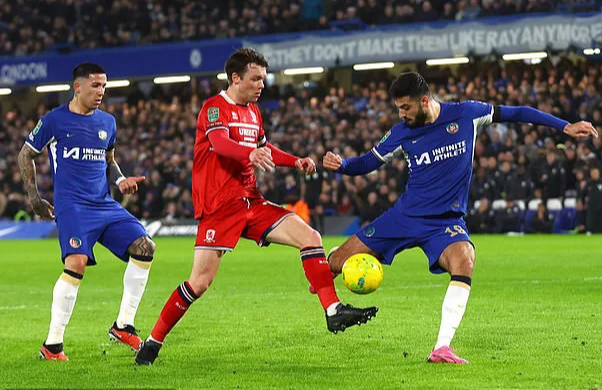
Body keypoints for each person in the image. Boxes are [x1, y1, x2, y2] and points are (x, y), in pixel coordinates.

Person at [319, 72, 598, 364]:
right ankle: (328, 287)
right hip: (405, 216)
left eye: (405, 108)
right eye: (398, 108)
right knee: (335, 264)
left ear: (424, 101)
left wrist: (564, 126)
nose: (401, 114)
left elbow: (517, 113)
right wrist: (342, 165)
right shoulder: (401, 132)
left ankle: (441, 348)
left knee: (464, 258)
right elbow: (366, 163)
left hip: (445, 222)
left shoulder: (466, 114)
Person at [135, 48, 377, 366]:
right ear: (236, 78)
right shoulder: (214, 108)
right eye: (255, 79)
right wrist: (248, 154)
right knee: (200, 282)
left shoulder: (253, 112)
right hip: (219, 207)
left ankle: (333, 310)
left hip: (251, 201)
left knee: (311, 237)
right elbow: (220, 144)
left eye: (263, 78)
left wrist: (296, 161)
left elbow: (264, 148)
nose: (262, 85)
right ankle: (152, 343)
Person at [17, 63, 156, 361]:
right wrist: (35, 199)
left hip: (104, 204)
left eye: (104, 86)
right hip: (73, 207)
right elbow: (25, 154)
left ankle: (123, 326)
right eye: (95, 85)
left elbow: (109, 158)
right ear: (77, 87)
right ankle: (52, 345)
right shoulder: (54, 120)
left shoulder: (107, 121)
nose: (101, 91)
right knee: (76, 262)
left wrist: (120, 179)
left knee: (145, 247)